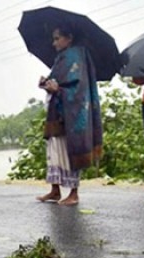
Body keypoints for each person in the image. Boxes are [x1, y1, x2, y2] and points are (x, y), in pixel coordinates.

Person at [36, 25, 104, 206]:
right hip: (57, 111)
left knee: (70, 149)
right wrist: (46, 83)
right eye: (54, 38)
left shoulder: (78, 56)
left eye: (57, 38)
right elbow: (57, 80)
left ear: (69, 37)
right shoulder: (61, 58)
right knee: (55, 149)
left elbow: (78, 88)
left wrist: (58, 89)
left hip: (72, 113)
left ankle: (74, 193)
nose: (54, 43)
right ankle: (55, 189)